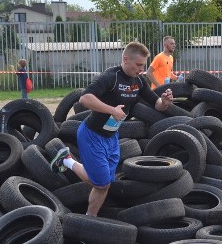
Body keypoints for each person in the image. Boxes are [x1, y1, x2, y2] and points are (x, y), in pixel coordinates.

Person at [50, 41, 175, 216]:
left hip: (111, 137)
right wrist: (111, 110)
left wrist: (165, 102)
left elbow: (157, 104)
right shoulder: (111, 77)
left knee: (105, 183)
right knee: (101, 184)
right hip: (92, 135)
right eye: (138, 64)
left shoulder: (139, 81)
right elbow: (85, 99)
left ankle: (89, 219)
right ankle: (66, 161)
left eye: (143, 65)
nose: (141, 69)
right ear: (126, 59)